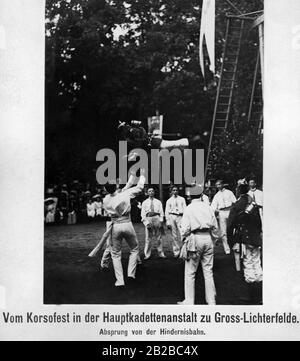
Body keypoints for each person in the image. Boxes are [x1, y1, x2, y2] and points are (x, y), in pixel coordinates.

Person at [102, 169, 146, 287]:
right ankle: (131, 274)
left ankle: (120, 281)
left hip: (115, 225)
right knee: (134, 249)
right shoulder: (124, 193)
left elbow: (123, 189)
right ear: (116, 187)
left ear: (106, 189)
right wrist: (141, 175)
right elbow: (140, 187)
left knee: (116, 254)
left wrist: (132, 177)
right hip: (127, 223)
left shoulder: (106, 199)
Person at [177, 184, 219, 305]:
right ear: (201, 195)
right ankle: (211, 301)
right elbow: (215, 227)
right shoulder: (208, 207)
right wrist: (213, 240)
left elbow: (184, 229)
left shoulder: (189, 208)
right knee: (208, 271)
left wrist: (184, 239)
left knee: (190, 272)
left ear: (190, 196)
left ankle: (189, 301)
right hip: (207, 238)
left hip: (195, 238)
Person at [227, 183, 263, 304]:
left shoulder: (237, 205)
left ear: (238, 191)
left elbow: (230, 225)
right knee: (257, 264)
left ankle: (251, 296)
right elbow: (259, 222)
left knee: (247, 265)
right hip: (256, 238)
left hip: (244, 239)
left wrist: (230, 241)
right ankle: (259, 296)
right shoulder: (253, 203)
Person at [211, 180, 236, 254]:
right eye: (217, 185)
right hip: (221, 213)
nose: (218, 186)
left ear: (222, 184)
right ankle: (227, 248)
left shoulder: (229, 192)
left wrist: (232, 210)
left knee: (232, 229)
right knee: (223, 231)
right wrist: (216, 211)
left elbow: (234, 202)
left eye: (219, 184)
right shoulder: (216, 195)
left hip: (230, 211)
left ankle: (233, 245)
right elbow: (213, 207)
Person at [141, 187, 166, 259]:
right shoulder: (145, 202)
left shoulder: (158, 202)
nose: (151, 192)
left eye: (152, 191)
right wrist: (146, 223)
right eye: (149, 191)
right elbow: (143, 214)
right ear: (147, 193)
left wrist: (161, 221)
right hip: (149, 218)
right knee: (148, 238)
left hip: (156, 218)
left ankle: (161, 253)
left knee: (159, 237)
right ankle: (147, 254)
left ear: (154, 192)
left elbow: (161, 212)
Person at [165, 186, 186, 257]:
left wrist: (183, 215)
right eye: (173, 190)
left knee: (182, 233)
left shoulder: (182, 199)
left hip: (180, 216)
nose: (175, 191)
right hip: (172, 216)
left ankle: (184, 251)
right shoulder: (169, 200)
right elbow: (166, 212)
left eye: (176, 190)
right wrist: (167, 221)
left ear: (178, 191)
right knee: (174, 235)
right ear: (171, 191)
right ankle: (176, 252)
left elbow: (185, 209)